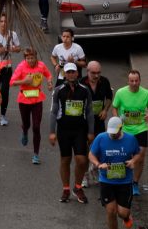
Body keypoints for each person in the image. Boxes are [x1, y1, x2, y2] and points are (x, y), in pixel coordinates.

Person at [50, 62, 94, 204]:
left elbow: (89, 111)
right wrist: (52, 132)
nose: (70, 74)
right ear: (64, 74)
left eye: (72, 72)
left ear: (77, 73)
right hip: (64, 130)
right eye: (67, 72)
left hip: (80, 130)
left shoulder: (84, 90)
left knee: (82, 160)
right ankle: (66, 188)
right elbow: (53, 111)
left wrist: (91, 131)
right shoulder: (58, 90)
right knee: (65, 160)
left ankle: (77, 186)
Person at [89, 116, 140, 229]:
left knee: (122, 213)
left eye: (115, 133)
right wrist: (98, 164)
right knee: (111, 211)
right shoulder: (101, 138)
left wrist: (133, 161)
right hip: (106, 181)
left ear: (121, 128)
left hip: (125, 182)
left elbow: (137, 153)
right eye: (110, 132)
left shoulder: (131, 139)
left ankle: (127, 217)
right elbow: (91, 155)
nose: (112, 135)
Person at [10, 46, 53, 164]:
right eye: (27, 58)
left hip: (37, 99)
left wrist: (49, 83)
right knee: (26, 124)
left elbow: (48, 75)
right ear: (25, 59)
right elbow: (12, 82)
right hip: (24, 99)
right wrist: (24, 81)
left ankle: (36, 154)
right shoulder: (21, 67)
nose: (30, 60)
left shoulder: (41, 65)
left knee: (36, 127)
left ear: (35, 57)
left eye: (32, 58)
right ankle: (24, 131)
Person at [110, 69, 148, 194]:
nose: (134, 83)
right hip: (125, 129)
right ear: (128, 81)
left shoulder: (146, 93)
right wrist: (117, 122)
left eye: (136, 80)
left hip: (141, 128)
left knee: (141, 156)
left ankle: (135, 183)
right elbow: (114, 107)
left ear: (140, 81)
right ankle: (122, 180)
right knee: (124, 155)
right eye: (131, 81)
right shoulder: (121, 92)